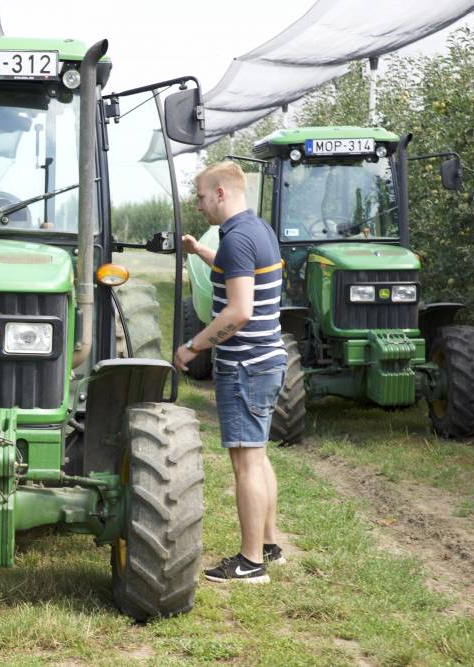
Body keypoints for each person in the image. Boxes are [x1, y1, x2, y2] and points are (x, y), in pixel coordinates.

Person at [174, 160, 287, 584]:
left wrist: (192, 347)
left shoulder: (238, 239)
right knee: (257, 457)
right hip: (267, 360)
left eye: (202, 197)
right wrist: (200, 251)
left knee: (245, 463)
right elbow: (235, 269)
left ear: (221, 193)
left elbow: (239, 312)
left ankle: (250, 561)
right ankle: (270, 544)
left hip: (245, 366)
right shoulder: (255, 230)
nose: (200, 205)